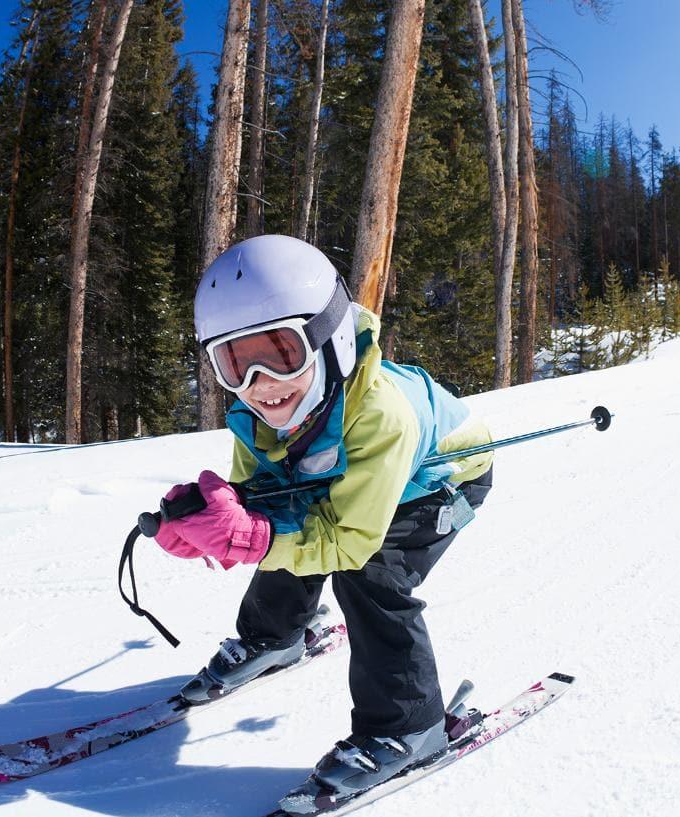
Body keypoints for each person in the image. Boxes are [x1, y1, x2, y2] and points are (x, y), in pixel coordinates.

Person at [154, 234, 493, 804]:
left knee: (372, 574)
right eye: (234, 362)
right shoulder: (256, 414)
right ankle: (274, 636)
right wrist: (204, 523)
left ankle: (408, 726)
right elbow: (263, 502)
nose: (260, 384)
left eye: (279, 352)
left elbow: (349, 541)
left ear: (328, 338)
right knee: (282, 521)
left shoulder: (381, 414)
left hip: (438, 483)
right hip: (356, 483)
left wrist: (254, 539)